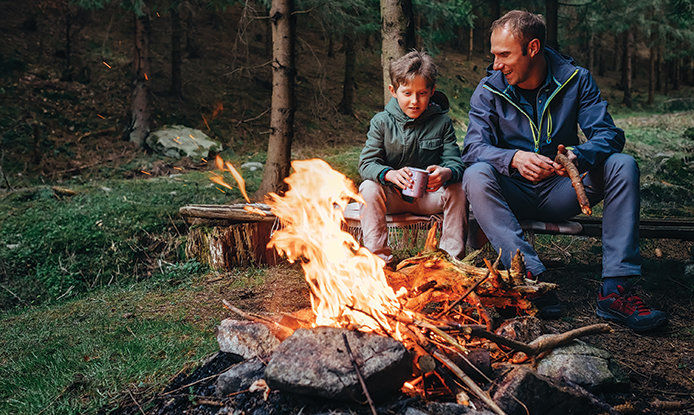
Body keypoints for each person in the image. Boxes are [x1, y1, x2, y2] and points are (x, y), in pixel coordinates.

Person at [462, 10, 666, 331]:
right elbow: (472, 149)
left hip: (562, 191)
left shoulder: (576, 79)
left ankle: (617, 290)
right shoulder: (489, 90)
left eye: (504, 55)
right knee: (475, 174)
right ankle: (531, 276)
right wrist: (513, 158)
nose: (496, 64)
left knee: (622, 165)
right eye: (494, 55)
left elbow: (610, 136)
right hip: (509, 193)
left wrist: (577, 156)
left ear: (532, 48)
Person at [358, 50, 466, 266]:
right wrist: (389, 174)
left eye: (422, 94)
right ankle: (379, 261)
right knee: (368, 188)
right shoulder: (381, 122)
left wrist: (446, 172)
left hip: (429, 196)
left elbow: (456, 163)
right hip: (393, 197)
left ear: (432, 91)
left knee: (459, 188)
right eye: (407, 93)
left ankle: (450, 261)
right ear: (393, 91)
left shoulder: (441, 122)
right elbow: (366, 164)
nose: (414, 101)